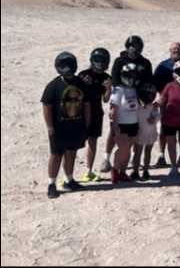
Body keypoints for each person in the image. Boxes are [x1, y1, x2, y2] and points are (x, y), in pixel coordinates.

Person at [100, 35, 153, 173]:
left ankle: (130, 159)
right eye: (132, 46)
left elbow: (148, 81)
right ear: (127, 46)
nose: (134, 49)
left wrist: (145, 97)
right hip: (122, 95)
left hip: (138, 96)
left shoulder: (145, 63)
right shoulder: (120, 61)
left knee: (136, 131)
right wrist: (118, 96)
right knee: (114, 130)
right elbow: (115, 79)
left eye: (137, 46)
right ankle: (106, 158)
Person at [42, 52, 91, 199]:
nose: (67, 69)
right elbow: (47, 107)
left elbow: (86, 104)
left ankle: (69, 180)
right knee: (56, 154)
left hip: (76, 125)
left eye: (69, 66)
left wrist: (86, 124)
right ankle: (51, 184)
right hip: (59, 127)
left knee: (71, 152)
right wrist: (50, 126)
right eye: (64, 66)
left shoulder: (80, 83)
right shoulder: (53, 86)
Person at [153, 42, 180, 168]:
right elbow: (155, 83)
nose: (176, 51)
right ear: (170, 50)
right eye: (174, 49)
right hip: (166, 102)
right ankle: (161, 155)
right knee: (164, 129)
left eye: (178, 49)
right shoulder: (163, 66)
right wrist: (161, 98)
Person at [78, 48, 112, 183]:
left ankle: (89, 171)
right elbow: (76, 94)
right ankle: (68, 173)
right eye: (97, 60)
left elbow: (105, 99)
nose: (100, 63)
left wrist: (108, 88)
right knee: (74, 143)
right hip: (81, 112)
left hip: (96, 112)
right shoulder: (83, 75)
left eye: (102, 61)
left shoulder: (106, 78)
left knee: (93, 141)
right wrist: (83, 85)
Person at [109, 63, 140, 184]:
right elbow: (113, 110)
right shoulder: (118, 90)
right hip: (121, 125)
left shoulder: (135, 90)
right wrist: (115, 126)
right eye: (129, 75)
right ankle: (114, 170)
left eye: (134, 75)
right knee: (123, 149)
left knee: (129, 150)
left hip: (134, 123)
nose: (132, 78)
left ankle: (122, 172)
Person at [131, 83, 160, 181]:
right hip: (145, 132)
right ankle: (140, 171)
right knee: (142, 152)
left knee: (143, 152)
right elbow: (156, 117)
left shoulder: (151, 106)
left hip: (146, 132)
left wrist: (153, 118)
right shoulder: (142, 106)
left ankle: (141, 171)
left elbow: (157, 116)